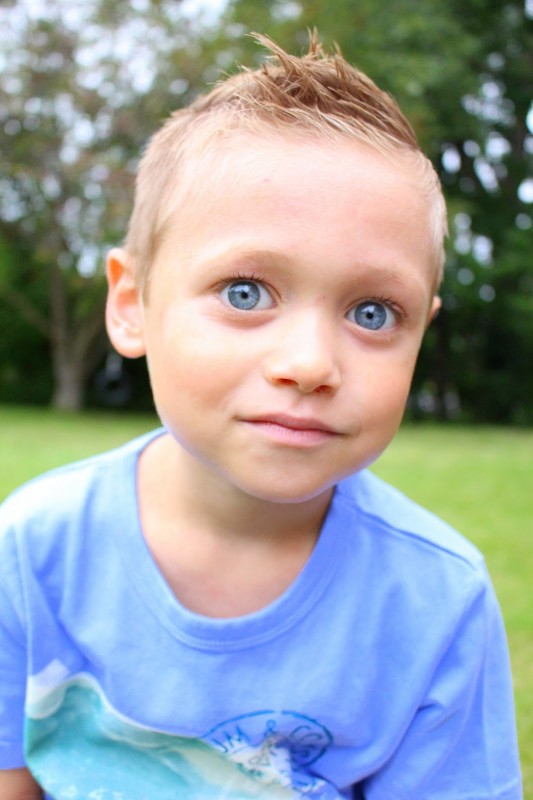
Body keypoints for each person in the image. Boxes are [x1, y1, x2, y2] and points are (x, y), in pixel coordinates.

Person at [0, 33, 522, 800]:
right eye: (245, 292)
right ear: (132, 305)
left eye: (372, 312)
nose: (310, 364)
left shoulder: (437, 602)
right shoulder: (32, 548)